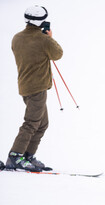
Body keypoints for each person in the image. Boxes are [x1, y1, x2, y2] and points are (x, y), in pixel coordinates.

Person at [6, 6, 63, 172]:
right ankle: (16, 156)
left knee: (42, 123)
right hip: (37, 87)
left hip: (25, 86)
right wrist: (50, 37)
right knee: (32, 123)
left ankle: (27, 155)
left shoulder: (17, 38)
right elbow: (58, 54)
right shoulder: (43, 39)